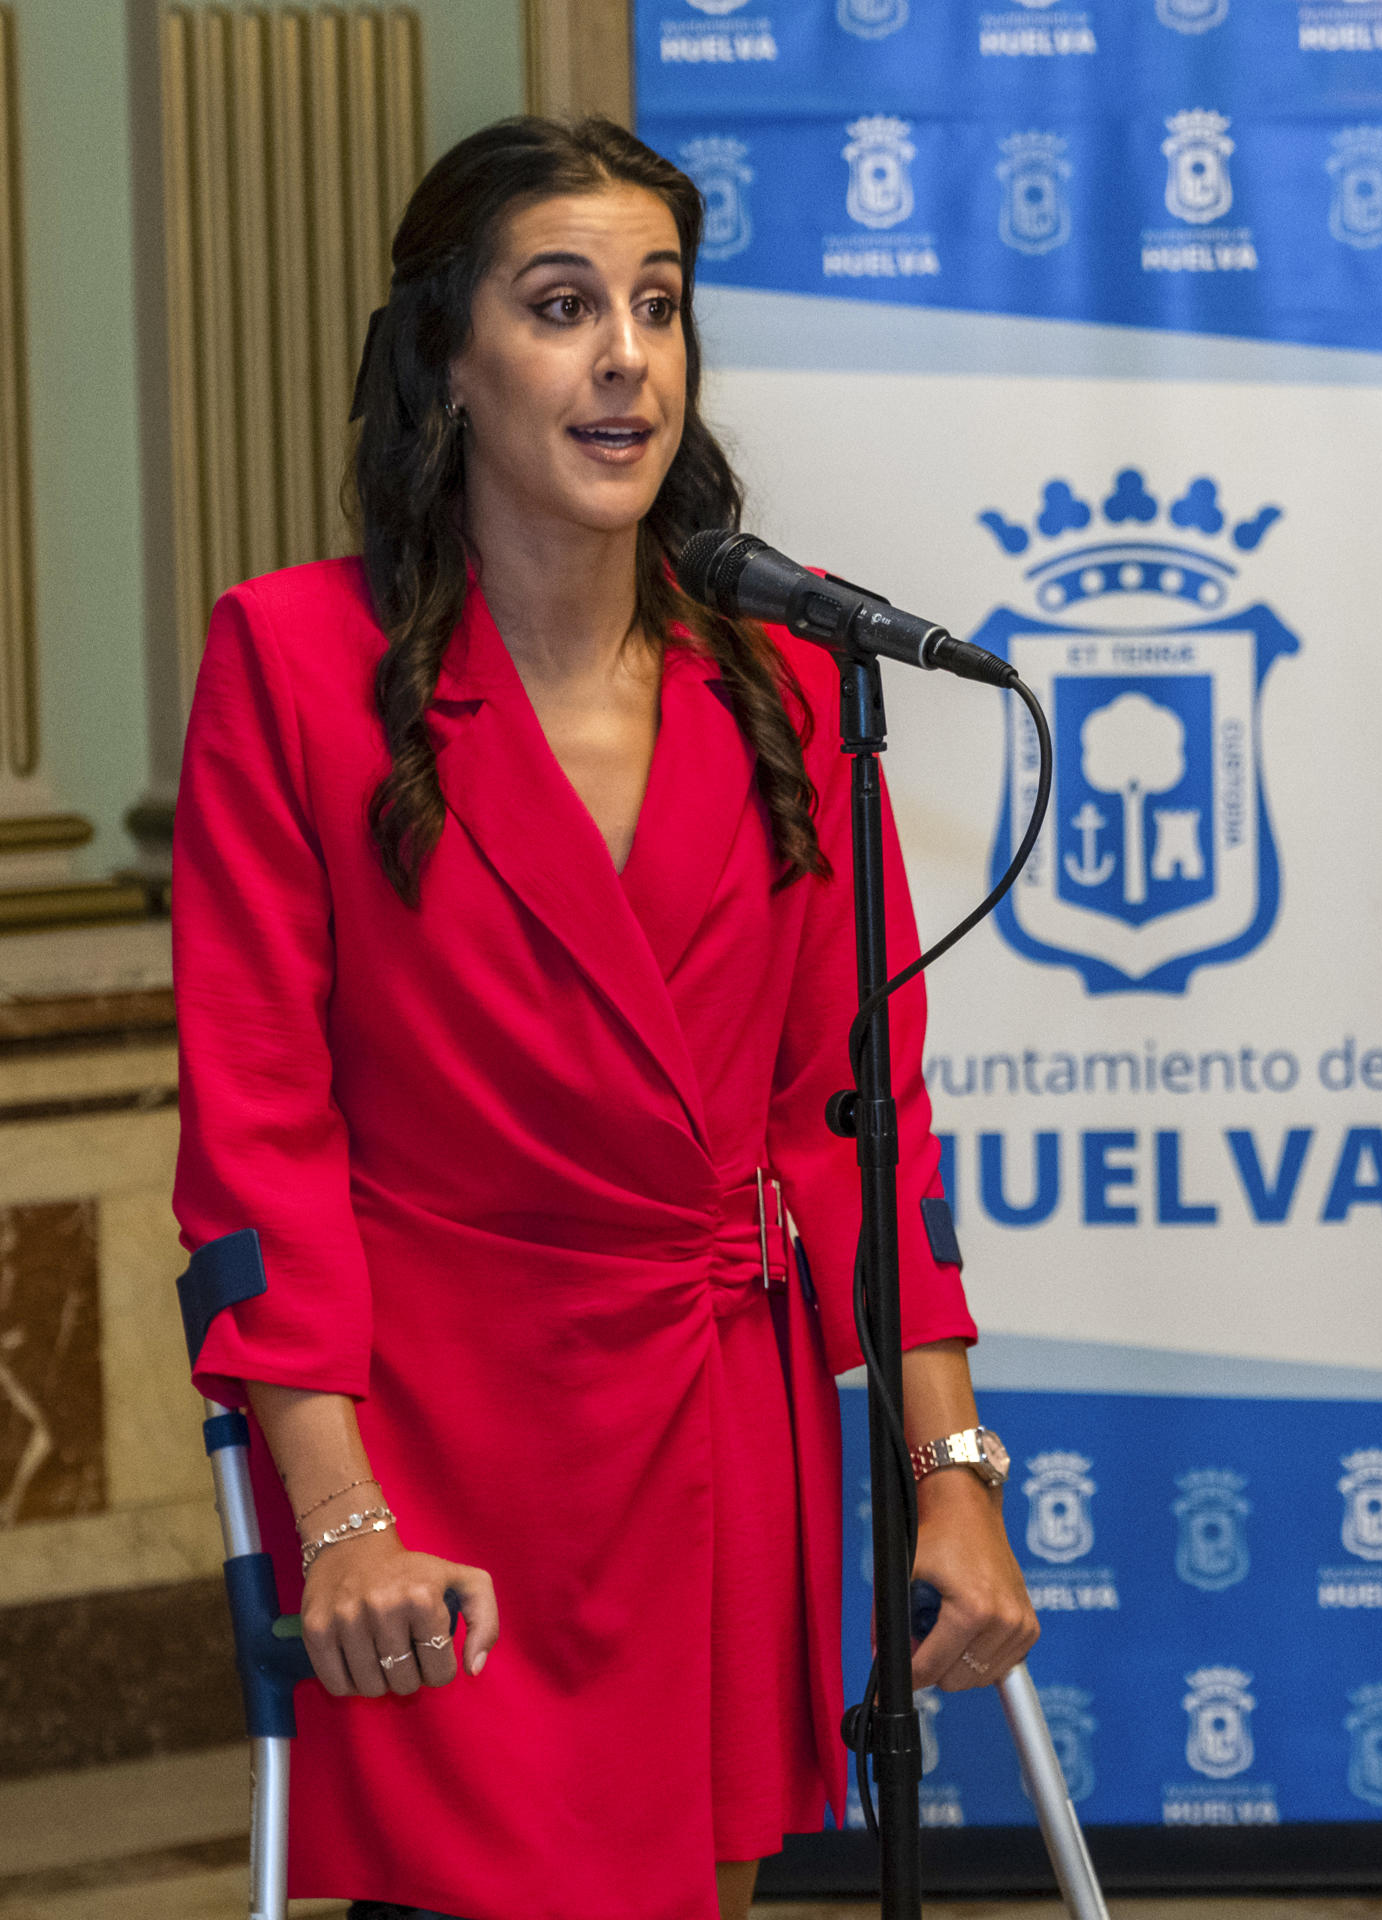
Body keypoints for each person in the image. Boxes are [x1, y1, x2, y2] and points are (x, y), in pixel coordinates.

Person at [172, 116, 1037, 1920]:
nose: (625, 355)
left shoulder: (793, 684)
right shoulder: (290, 661)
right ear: (447, 359)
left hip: (723, 1425)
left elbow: (859, 1122)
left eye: (657, 305)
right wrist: (334, 1519)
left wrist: (946, 1467)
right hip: (438, 1453)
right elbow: (262, 1132)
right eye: (561, 305)